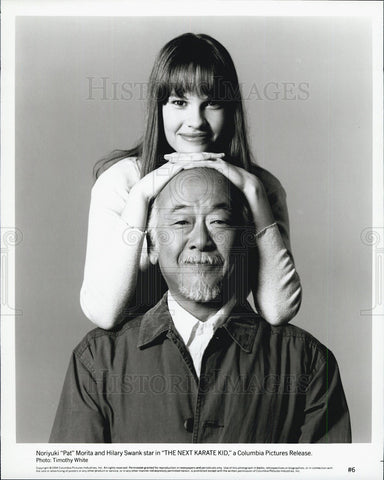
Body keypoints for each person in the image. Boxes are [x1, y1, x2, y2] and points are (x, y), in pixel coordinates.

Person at [50, 168, 351, 443]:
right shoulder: (97, 362)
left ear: (246, 242)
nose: (200, 240)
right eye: (181, 222)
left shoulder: (308, 364)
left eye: (218, 221)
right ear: (152, 247)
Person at [80, 32, 302, 329]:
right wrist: (142, 195)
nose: (196, 121)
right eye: (179, 102)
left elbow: (278, 310)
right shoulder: (123, 182)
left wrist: (253, 192)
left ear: (231, 109)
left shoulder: (260, 187)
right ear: (159, 108)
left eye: (211, 103)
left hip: (228, 354)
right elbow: (103, 313)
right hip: (140, 357)